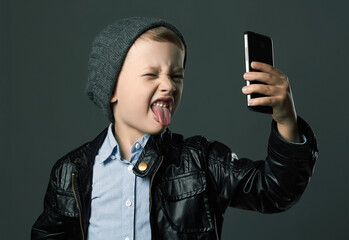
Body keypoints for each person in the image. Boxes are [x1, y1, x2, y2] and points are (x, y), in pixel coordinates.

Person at [31, 17, 318, 240]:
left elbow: (274, 190)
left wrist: (285, 119)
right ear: (111, 90)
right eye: (151, 75)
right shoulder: (70, 172)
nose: (169, 85)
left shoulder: (201, 161)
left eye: (176, 75)